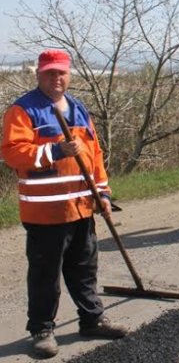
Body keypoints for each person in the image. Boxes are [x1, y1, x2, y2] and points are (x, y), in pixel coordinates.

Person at [1, 49, 128, 359]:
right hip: (45, 212)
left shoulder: (78, 109)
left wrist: (104, 194)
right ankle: (42, 330)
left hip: (81, 207)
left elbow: (94, 156)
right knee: (45, 274)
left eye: (61, 73)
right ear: (39, 75)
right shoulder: (23, 110)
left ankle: (92, 319)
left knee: (85, 269)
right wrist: (55, 151)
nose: (56, 78)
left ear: (69, 75)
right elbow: (13, 154)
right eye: (49, 73)